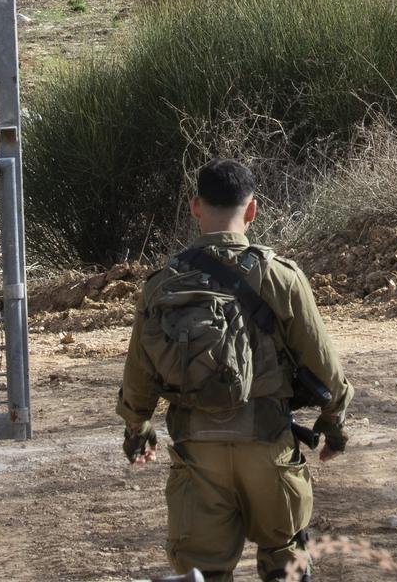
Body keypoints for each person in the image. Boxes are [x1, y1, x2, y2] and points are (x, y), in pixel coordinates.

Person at [118, 160, 353, 581]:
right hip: (267, 445)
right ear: (252, 211)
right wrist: (334, 428)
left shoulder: (161, 284)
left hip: (197, 450)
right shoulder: (280, 277)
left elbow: (139, 372)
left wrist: (137, 430)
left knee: (201, 571)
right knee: (285, 556)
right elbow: (326, 369)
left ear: (195, 207)